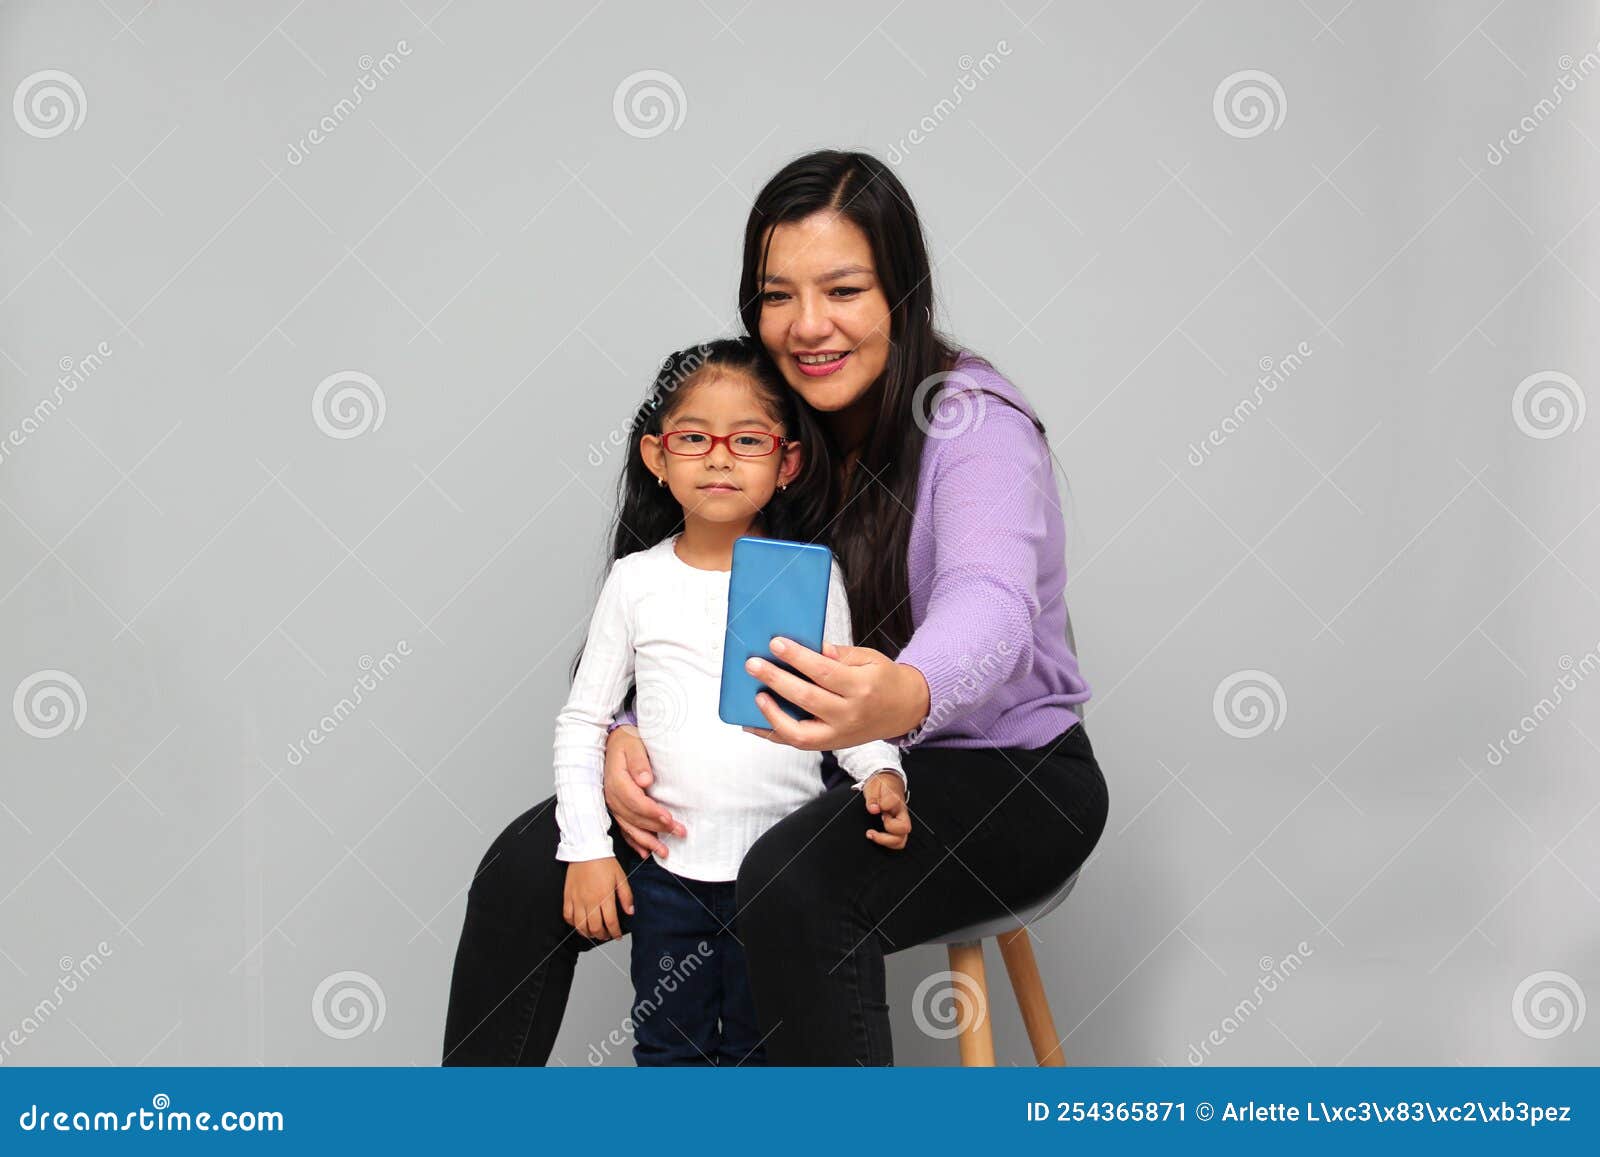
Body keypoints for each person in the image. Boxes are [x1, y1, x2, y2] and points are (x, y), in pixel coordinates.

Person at [443, 150, 1108, 1066]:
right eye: (777, 295)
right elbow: (679, 604)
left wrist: (905, 693)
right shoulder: (754, 434)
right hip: (799, 763)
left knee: (793, 884)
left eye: (842, 290)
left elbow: (990, 602)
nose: (807, 327)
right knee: (528, 870)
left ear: (902, 296)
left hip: (1001, 771)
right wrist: (627, 731)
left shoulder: (973, 423)